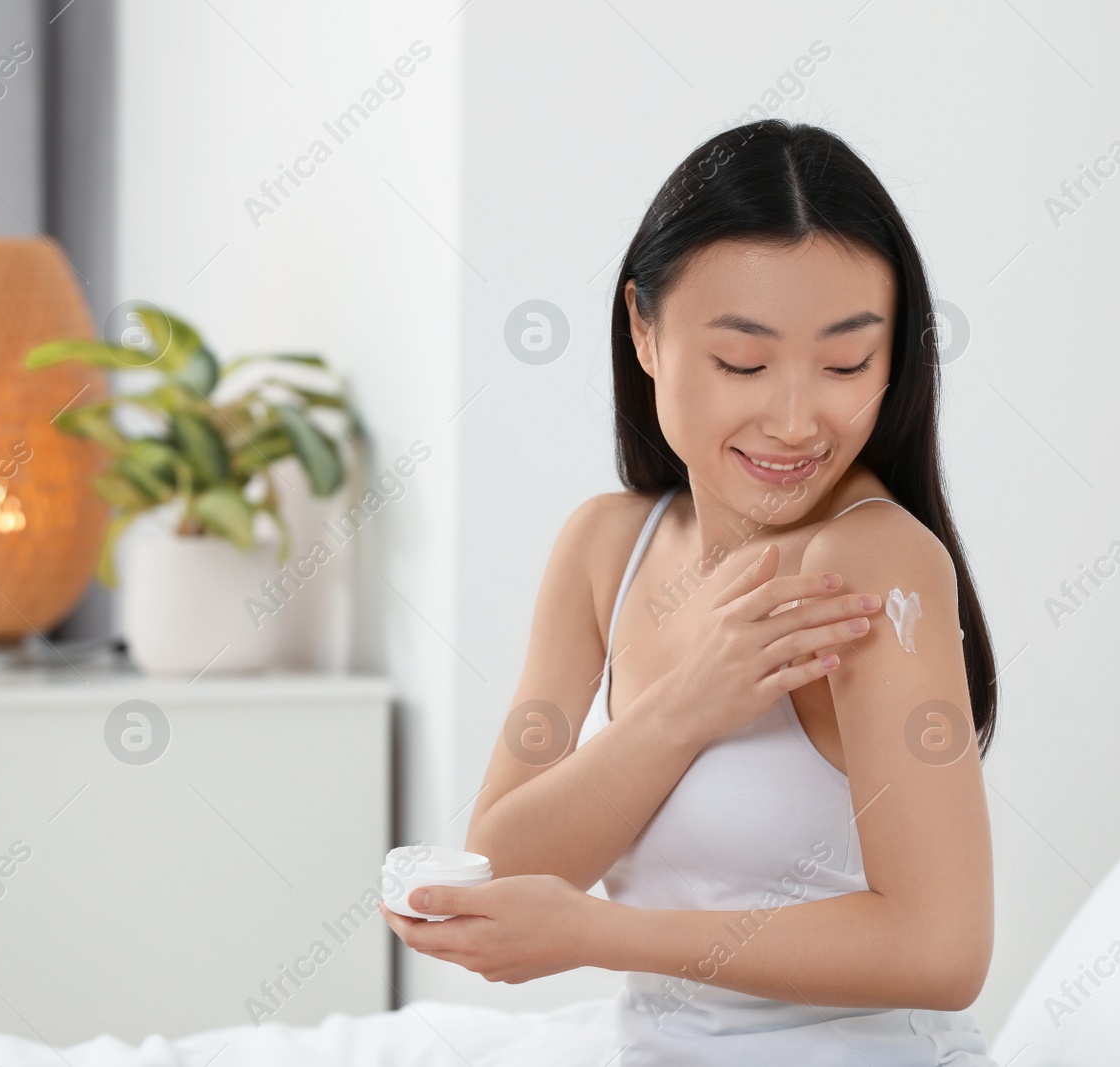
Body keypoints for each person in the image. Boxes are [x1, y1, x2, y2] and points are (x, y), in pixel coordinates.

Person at [382, 118, 1001, 1066]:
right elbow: (502, 866)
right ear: (643, 328)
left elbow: (942, 948)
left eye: (846, 364)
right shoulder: (607, 548)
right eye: (743, 363)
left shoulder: (873, 566)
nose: (796, 420)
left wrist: (597, 933)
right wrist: (682, 708)